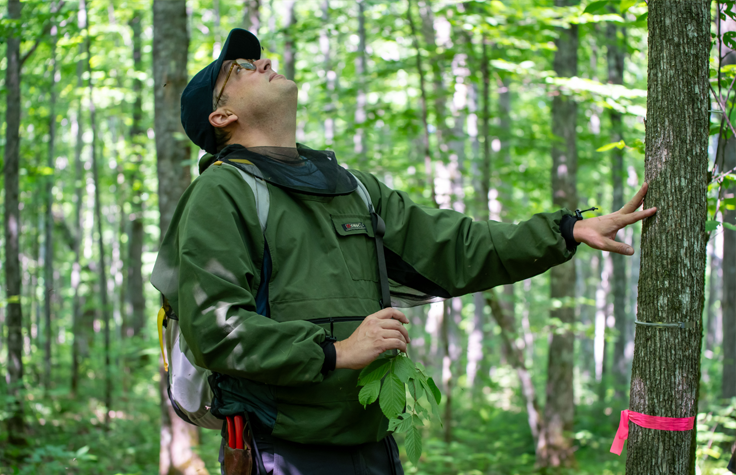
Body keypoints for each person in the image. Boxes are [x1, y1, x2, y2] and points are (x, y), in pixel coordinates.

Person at [156, 28, 656, 475]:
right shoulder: (222, 193)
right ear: (222, 115)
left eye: (256, 58)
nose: (262, 62)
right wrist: (337, 351)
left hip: (373, 443)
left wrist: (567, 231)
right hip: (281, 449)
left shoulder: (353, 188)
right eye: (241, 69)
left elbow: (456, 248)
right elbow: (215, 330)